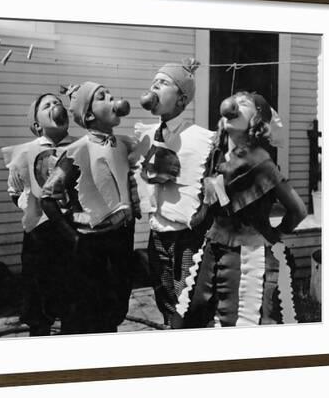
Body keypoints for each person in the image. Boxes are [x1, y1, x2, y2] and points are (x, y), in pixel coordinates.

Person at [177, 91, 307, 327]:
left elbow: (298, 210)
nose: (232, 106)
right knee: (195, 316)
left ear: (257, 120)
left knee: (239, 322)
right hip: (214, 247)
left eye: (244, 104)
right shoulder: (217, 157)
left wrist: (275, 234)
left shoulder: (261, 161)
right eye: (233, 102)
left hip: (248, 255)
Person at [40, 81, 140, 334]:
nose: (113, 100)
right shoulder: (79, 148)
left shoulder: (125, 145)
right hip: (90, 243)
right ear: (88, 114)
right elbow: (48, 197)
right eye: (102, 97)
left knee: (114, 307)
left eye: (112, 94)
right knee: (85, 312)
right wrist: (72, 237)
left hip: (121, 239)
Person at [133, 58, 215, 329]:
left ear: (181, 99)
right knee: (164, 295)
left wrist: (204, 211)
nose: (154, 86)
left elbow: (213, 184)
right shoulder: (145, 136)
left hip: (188, 237)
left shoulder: (202, 138)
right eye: (154, 82)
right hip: (157, 233)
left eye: (163, 82)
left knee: (190, 303)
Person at [1, 93, 77, 336]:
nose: (56, 107)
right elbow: (14, 190)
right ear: (36, 125)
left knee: (73, 294)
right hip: (40, 235)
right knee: (39, 294)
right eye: (48, 106)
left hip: (73, 230)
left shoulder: (80, 147)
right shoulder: (24, 153)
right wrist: (27, 204)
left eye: (58, 103)